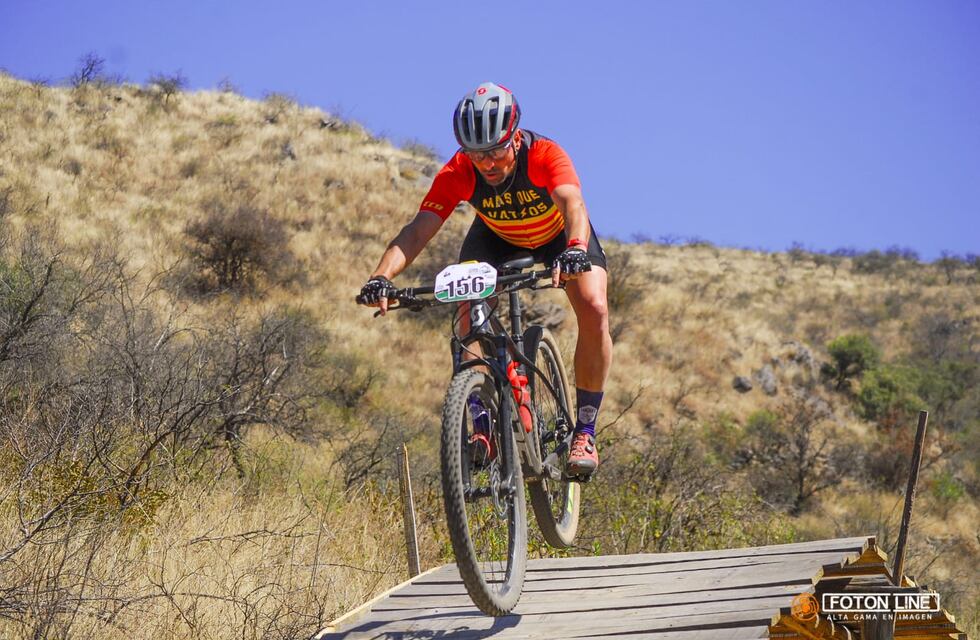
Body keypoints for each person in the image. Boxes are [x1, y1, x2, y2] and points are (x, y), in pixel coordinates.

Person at [357, 82, 611, 477]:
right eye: (477, 155)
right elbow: (419, 229)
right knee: (468, 312)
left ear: (514, 138)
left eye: (495, 152)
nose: (487, 164)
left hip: (559, 237)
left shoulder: (544, 154)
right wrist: (381, 276)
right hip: (497, 238)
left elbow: (572, 203)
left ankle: (586, 430)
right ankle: (479, 416)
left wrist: (576, 247)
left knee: (594, 307)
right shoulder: (459, 170)